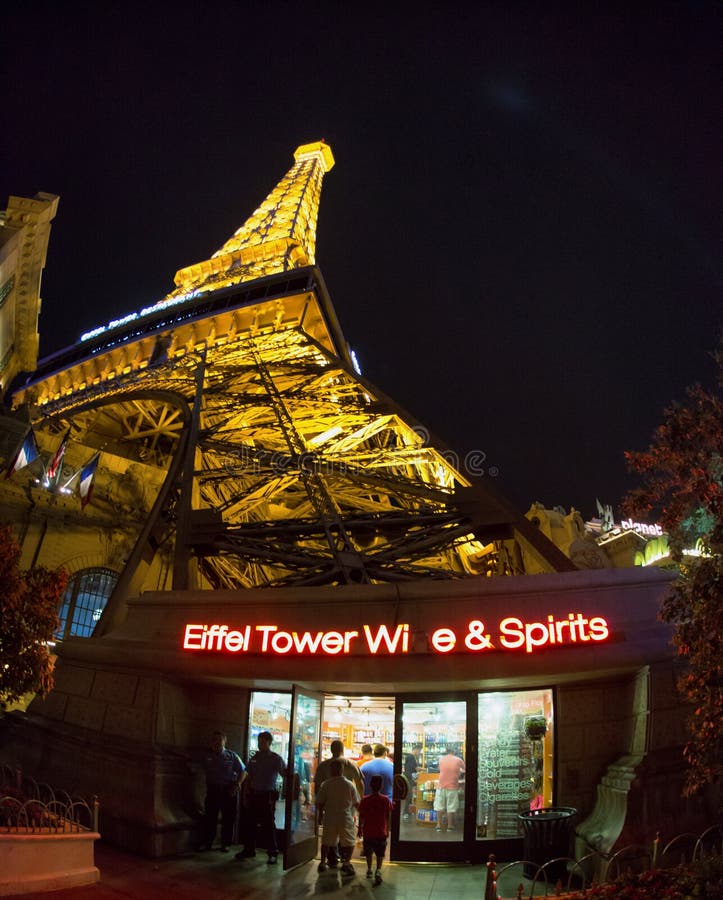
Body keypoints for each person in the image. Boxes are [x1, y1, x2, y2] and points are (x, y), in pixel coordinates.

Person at [236, 731, 286, 864]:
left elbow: (285, 774)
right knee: (250, 823)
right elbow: (248, 776)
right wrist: (246, 794)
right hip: (254, 794)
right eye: (258, 741)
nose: (259, 744)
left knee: (268, 825)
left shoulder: (276, 759)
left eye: (262, 741)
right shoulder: (254, 758)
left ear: (269, 743)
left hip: (267, 796)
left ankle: (273, 852)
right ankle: (249, 849)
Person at [315, 739, 363, 867]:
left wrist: (319, 810)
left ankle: (329, 860)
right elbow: (360, 784)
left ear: (331, 750)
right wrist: (361, 803)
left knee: (328, 837)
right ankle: (345, 861)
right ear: (343, 749)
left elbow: (317, 787)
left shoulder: (323, 766)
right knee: (347, 837)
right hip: (348, 808)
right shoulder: (351, 764)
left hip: (329, 808)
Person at [199, 730, 245, 852]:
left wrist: (238, 783)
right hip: (213, 789)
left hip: (228, 790)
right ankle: (207, 842)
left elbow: (243, 771)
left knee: (228, 818)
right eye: (214, 740)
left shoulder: (232, 756)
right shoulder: (206, 756)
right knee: (210, 817)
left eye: (219, 740)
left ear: (225, 741)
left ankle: (226, 843)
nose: (217, 742)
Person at [358, 773, 393, 884]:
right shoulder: (385, 800)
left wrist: (360, 829)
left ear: (370, 785)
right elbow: (388, 815)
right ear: (381, 786)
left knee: (368, 852)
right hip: (380, 831)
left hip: (368, 831)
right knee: (380, 853)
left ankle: (369, 869)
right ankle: (378, 870)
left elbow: (361, 815)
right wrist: (387, 830)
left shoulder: (365, 800)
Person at [434, 746, 465, 832]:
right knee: (451, 806)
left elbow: (441, 770)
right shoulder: (458, 760)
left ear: (446, 752)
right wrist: (459, 771)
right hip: (452, 786)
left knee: (439, 806)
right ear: (454, 751)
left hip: (441, 786)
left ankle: (438, 825)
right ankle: (450, 826)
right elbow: (465, 769)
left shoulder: (441, 759)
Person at [402, 743, 421, 819]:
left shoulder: (411, 757)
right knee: (409, 795)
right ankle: (405, 813)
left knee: (410, 795)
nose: (419, 753)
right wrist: (426, 769)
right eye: (419, 751)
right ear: (415, 750)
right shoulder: (411, 757)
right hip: (409, 778)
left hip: (409, 777)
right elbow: (415, 768)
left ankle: (408, 811)